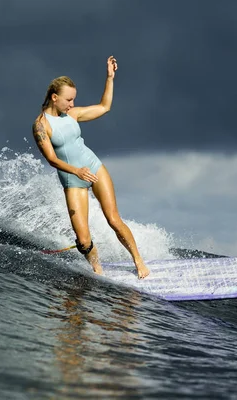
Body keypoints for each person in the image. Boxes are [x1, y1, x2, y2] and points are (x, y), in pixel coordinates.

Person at [32, 55, 150, 279]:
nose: (72, 104)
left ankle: (138, 260)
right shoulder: (41, 126)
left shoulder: (72, 115)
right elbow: (51, 159)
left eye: (74, 99)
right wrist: (76, 171)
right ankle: (98, 269)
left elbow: (105, 107)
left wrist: (110, 78)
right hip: (73, 179)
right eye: (69, 100)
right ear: (54, 97)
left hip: (94, 168)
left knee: (113, 219)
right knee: (83, 240)